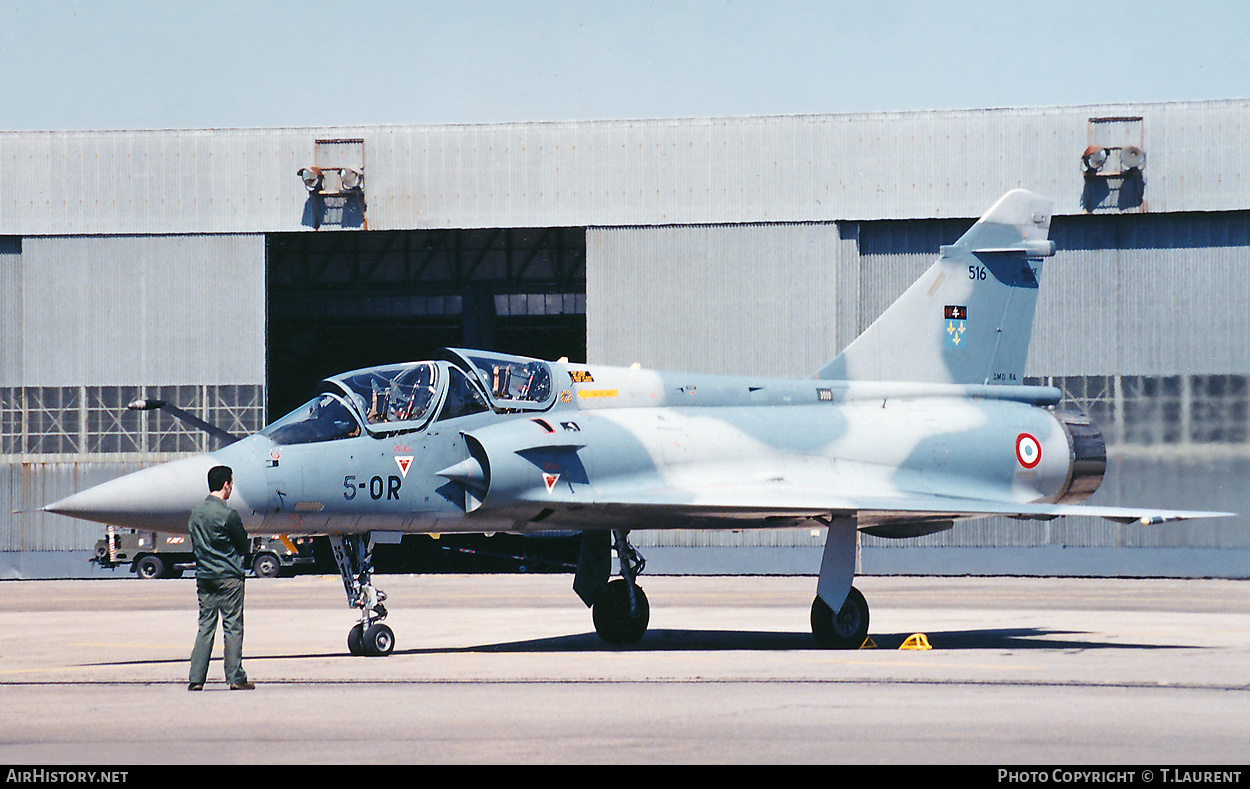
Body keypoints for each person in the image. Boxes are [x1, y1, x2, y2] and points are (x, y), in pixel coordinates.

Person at [187, 465, 255, 691]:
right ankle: (235, 677)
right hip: (229, 578)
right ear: (226, 484)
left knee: (205, 626)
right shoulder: (228, 515)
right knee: (232, 626)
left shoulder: (196, 512)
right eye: (231, 484)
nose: (231, 488)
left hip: (204, 577)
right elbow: (243, 546)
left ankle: (196, 678)